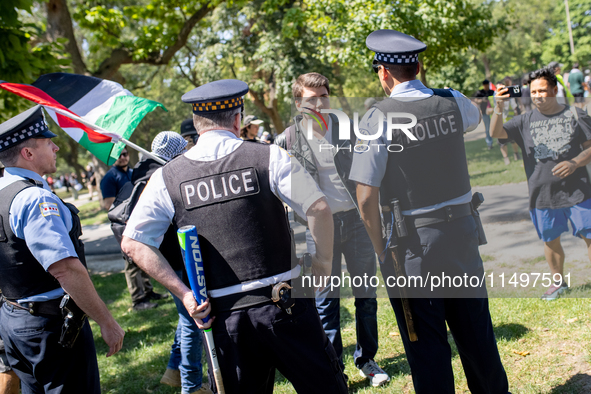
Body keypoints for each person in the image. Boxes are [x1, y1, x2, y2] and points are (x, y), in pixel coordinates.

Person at [121, 79, 348, 393]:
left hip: (224, 321)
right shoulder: (269, 157)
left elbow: (133, 243)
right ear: (238, 118)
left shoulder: (166, 177)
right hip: (286, 304)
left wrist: (184, 294)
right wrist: (323, 263)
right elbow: (319, 208)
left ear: (198, 124)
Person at [350, 29, 509, 393]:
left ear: (383, 73)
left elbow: (364, 196)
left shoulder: (378, 117)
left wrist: (380, 251)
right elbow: (474, 119)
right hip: (463, 235)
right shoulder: (452, 100)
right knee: (477, 334)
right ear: (419, 67)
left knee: (427, 347)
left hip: (414, 247)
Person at [275, 72, 388, 387]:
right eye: (311, 99)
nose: (320, 104)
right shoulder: (287, 140)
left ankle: (367, 360)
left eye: (324, 96)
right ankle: (333, 365)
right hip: (318, 228)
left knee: (365, 295)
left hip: (356, 220)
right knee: (325, 299)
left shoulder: (349, 129)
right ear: (298, 103)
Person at [0, 105, 124, 393]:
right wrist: (107, 322)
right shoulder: (33, 199)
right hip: (49, 327)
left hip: (14, 319)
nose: (56, 147)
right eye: (47, 142)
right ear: (27, 153)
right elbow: (65, 268)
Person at [490, 67, 591, 300]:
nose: (537, 95)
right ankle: (559, 283)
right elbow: (498, 133)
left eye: (543, 90)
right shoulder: (523, 121)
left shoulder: (576, 115)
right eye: (534, 91)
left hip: (579, 191)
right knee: (550, 239)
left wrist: (575, 162)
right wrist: (498, 107)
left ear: (555, 90)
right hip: (542, 193)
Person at [126, 131, 210, 394]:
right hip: (178, 260)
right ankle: (192, 386)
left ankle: (174, 372)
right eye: (182, 148)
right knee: (191, 323)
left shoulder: (141, 173)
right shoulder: (164, 176)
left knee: (185, 316)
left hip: (163, 261)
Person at [102, 147, 164, 311]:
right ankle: (138, 300)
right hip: (123, 225)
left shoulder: (132, 172)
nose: (123, 158)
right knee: (131, 263)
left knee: (143, 258)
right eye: (119, 155)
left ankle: (148, 291)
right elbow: (107, 204)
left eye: (125, 154)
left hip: (138, 221)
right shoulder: (110, 177)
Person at [492, 77, 523, 165]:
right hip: (501, 120)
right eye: (498, 88)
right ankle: (506, 158)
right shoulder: (495, 95)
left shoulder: (508, 93)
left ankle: (516, 154)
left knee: (513, 139)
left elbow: (514, 105)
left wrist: (516, 115)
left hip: (510, 119)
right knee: (502, 141)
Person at [474, 79, 495, 149]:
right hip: (484, 113)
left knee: (496, 126)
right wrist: (482, 100)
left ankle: (500, 141)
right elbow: (476, 100)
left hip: (493, 112)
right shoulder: (480, 92)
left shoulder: (492, 92)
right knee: (487, 128)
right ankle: (489, 143)